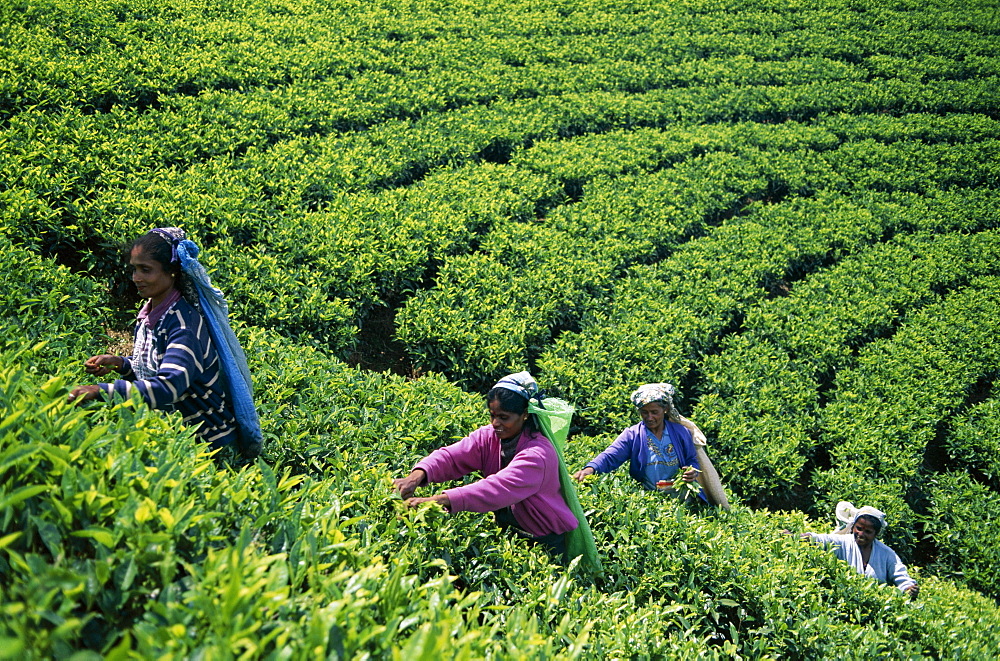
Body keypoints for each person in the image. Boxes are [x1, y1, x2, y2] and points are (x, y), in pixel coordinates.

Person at [68, 227, 261, 456]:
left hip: (210, 446)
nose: (136, 278)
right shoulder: (153, 311)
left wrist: (100, 391)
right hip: (179, 434)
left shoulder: (183, 325)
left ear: (171, 272)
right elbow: (154, 367)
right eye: (135, 269)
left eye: (145, 270)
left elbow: (168, 386)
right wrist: (121, 363)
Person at [394, 372, 580, 560]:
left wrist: (440, 500)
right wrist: (416, 476)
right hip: (507, 529)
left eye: (504, 417)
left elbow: (498, 488)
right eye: (492, 415)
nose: (495, 423)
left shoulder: (539, 455)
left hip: (542, 539)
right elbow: (452, 457)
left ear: (524, 415)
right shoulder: (488, 436)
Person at [573, 383, 728, 508]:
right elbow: (610, 456)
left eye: (654, 412)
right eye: (644, 412)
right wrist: (590, 469)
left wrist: (691, 472)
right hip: (651, 499)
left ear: (665, 409)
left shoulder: (681, 432)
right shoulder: (633, 435)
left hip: (683, 500)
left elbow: (691, 460)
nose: (649, 417)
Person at [802, 501, 919, 598]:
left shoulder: (886, 553)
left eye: (868, 532)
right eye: (858, 528)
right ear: (853, 526)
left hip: (875, 603)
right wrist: (796, 536)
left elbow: (900, 574)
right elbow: (820, 539)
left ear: (876, 534)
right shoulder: (843, 542)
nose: (861, 534)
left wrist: (908, 588)